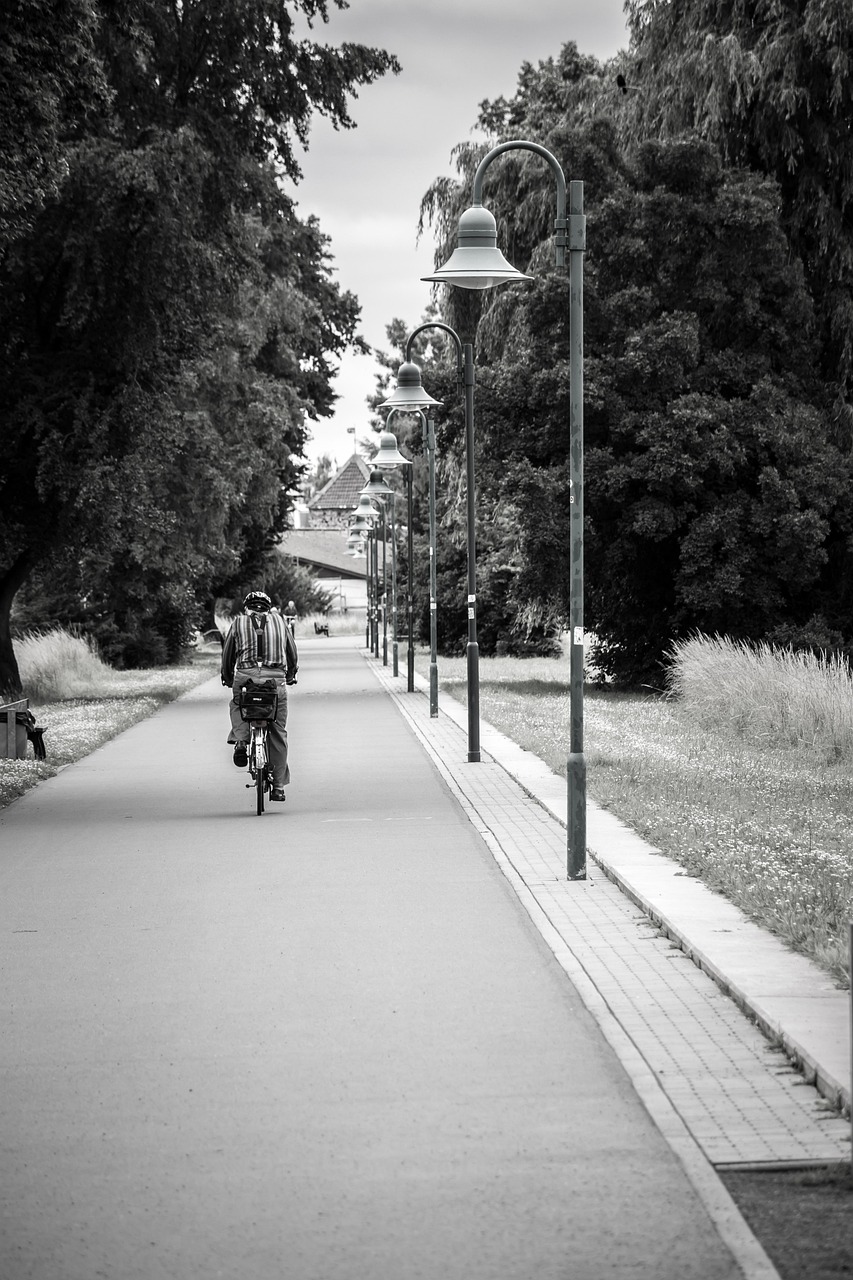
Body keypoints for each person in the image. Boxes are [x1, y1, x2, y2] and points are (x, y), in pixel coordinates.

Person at [221, 590, 298, 801]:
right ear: (268, 607)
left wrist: (228, 678)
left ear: (247, 608)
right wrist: (290, 675)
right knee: (278, 731)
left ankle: (242, 740)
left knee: (237, 704)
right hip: (275, 681)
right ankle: (279, 787)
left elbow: (228, 655)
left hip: (246, 678)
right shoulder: (281, 622)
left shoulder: (238, 623)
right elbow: (291, 651)